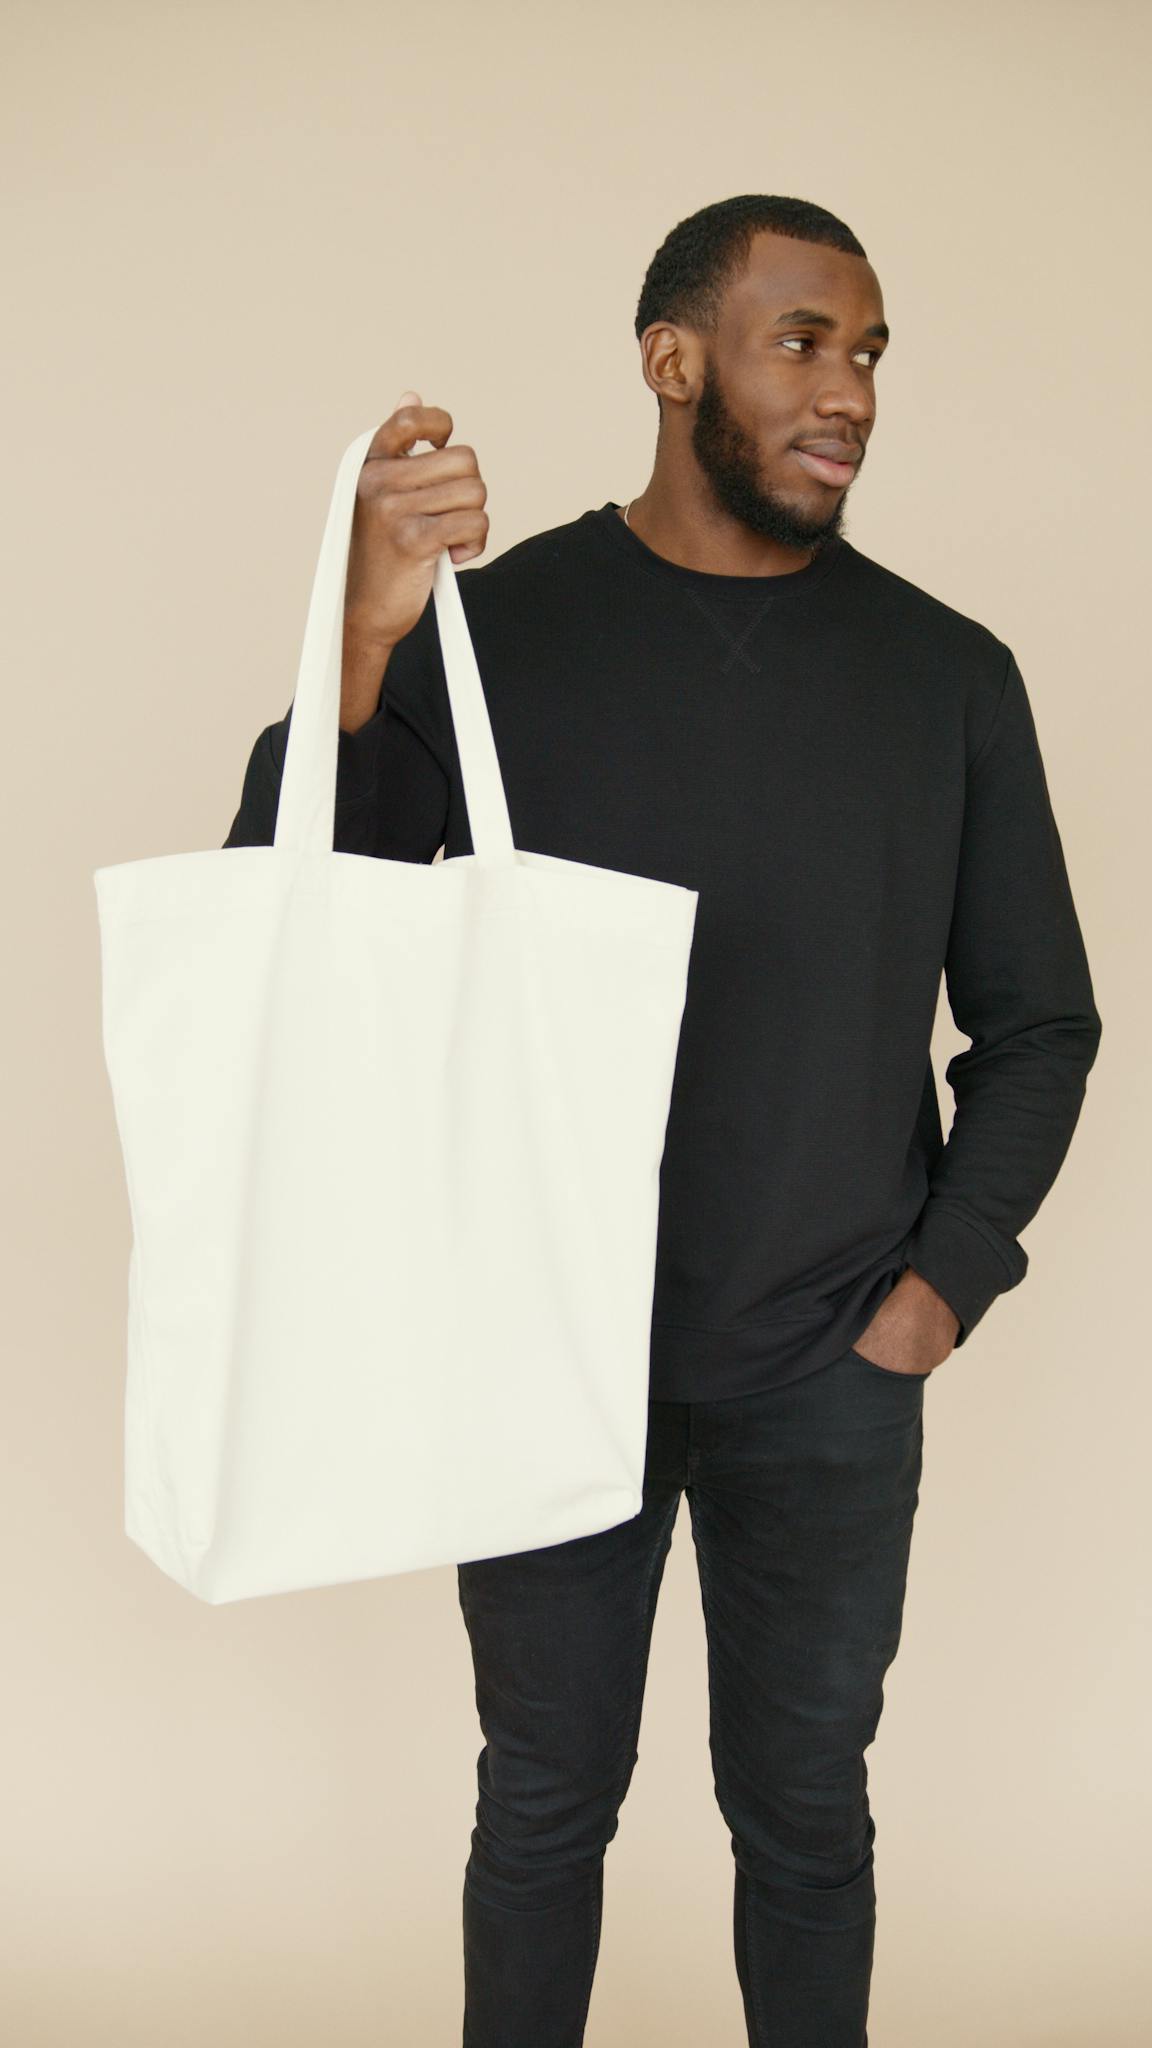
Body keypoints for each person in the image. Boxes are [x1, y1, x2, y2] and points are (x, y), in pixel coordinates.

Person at [224, 193, 1103, 2047]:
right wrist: (365, 636)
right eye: (803, 340)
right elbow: (300, 902)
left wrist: (937, 1292)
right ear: (672, 360)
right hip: (543, 1353)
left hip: (828, 1359)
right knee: (542, 1813)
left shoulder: (948, 675)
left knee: (804, 1824)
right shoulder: (502, 632)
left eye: (869, 351)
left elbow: (1038, 1022)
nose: (849, 388)